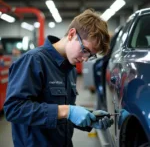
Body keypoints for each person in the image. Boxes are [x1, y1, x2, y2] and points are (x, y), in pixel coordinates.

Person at [4, 9, 113, 147]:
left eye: (91, 55)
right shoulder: (34, 61)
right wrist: (68, 111)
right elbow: (14, 109)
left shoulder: (70, 68)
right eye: (85, 50)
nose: (85, 59)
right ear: (72, 34)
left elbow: (61, 115)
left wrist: (89, 118)